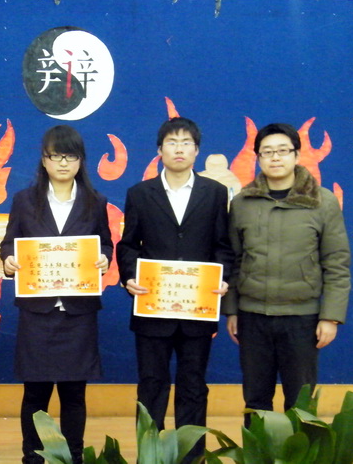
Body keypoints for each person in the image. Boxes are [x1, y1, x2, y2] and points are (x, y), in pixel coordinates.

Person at [116, 117, 233, 462]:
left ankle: (191, 457)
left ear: (197, 151)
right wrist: (129, 276)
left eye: (186, 143)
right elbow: (128, 245)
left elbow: (223, 246)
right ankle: (150, 456)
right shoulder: (140, 194)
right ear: (159, 150)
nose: (179, 149)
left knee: (193, 385)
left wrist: (223, 278)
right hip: (152, 308)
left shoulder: (215, 193)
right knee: (151, 385)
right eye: (172, 142)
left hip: (198, 309)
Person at [0, 125, 113, 464]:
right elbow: (9, 243)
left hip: (78, 312)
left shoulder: (95, 202)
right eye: (56, 156)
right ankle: (32, 458)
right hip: (38, 311)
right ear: (44, 160)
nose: (63, 163)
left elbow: (106, 243)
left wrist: (104, 258)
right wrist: (9, 261)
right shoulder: (24, 200)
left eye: (70, 156)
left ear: (80, 161)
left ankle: (73, 458)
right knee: (35, 393)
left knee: (74, 394)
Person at [223, 123, 350, 424]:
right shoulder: (242, 202)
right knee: (256, 401)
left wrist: (330, 317)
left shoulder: (322, 201)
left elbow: (336, 262)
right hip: (253, 317)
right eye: (267, 152)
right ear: (258, 158)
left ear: (296, 155)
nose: (275, 157)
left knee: (300, 402)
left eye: (282, 150)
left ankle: (300, 449)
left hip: (302, 318)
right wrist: (232, 310)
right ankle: (258, 450)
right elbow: (234, 260)